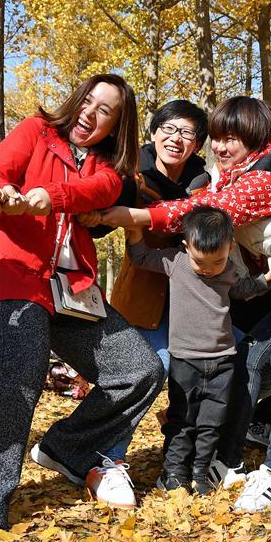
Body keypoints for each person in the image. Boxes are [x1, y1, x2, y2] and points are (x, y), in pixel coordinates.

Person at [0, 74, 165, 535]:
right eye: (88, 101)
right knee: (18, 375)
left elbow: (99, 193)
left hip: (74, 289)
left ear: (117, 125)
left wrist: (53, 197)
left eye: (105, 110)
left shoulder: (110, 167)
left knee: (140, 369)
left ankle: (68, 448)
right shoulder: (35, 130)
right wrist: (0, 192)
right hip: (17, 276)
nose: (91, 113)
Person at [101, 96, 271, 512]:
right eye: (218, 140)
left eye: (232, 140)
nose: (221, 148)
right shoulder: (232, 176)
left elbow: (204, 213)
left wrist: (131, 217)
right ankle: (228, 460)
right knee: (250, 355)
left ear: (255, 139)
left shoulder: (265, 178)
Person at [126, 207, 271, 494]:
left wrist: (268, 278)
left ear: (230, 248)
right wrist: (134, 231)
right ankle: (173, 474)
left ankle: (200, 472)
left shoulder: (228, 269)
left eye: (216, 262)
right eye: (200, 261)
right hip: (185, 360)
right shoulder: (176, 262)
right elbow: (140, 257)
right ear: (186, 246)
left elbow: (242, 289)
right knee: (182, 420)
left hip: (223, 360)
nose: (208, 269)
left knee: (211, 423)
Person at [96, 99, 209, 464]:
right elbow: (103, 218)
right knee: (148, 368)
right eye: (169, 129)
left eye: (187, 133)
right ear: (154, 132)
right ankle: (109, 458)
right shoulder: (132, 174)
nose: (176, 139)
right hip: (144, 294)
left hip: (190, 299)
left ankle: (183, 442)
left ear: (197, 144)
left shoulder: (204, 183)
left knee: (210, 368)